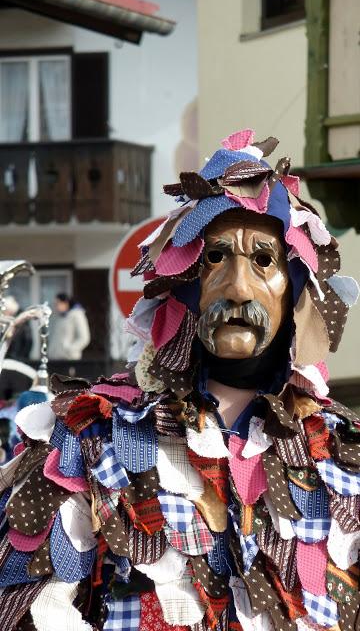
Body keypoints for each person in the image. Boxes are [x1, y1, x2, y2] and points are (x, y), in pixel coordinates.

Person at [0, 129, 359, 631]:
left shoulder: (342, 454)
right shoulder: (91, 437)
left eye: (264, 260)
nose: (238, 287)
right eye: (215, 257)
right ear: (184, 282)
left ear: (294, 291)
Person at [48, 293, 91, 360]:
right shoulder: (59, 317)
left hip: (69, 358)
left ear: (66, 303)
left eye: (58, 303)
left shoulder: (77, 315)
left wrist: (70, 349)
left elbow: (84, 338)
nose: (56, 307)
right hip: (55, 358)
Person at [3, 295, 33, 361]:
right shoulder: (18, 317)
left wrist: (19, 356)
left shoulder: (21, 319)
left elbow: (27, 339)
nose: (5, 314)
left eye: (5, 312)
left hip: (17, 356)